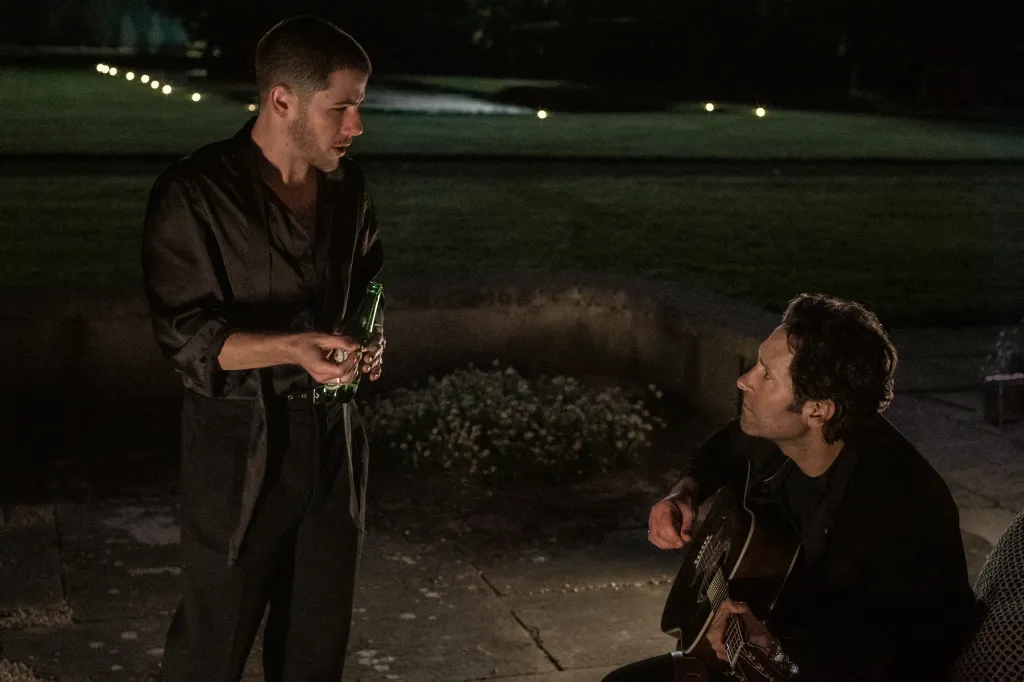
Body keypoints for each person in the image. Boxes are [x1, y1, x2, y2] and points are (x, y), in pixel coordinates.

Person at [141, 15, 384, 682]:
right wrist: (292, 347)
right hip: (239, 448)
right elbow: (187, 338)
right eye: (341, 108)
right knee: (212, 644)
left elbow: (368, 282)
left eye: (360, 105)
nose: (357, 125)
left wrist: (367, 338)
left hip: (334, 443)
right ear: (281, 99)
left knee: (316, 645)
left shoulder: (349, 189)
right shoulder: (195, 193)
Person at [603, 293, 976, 681]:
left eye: (766, 375)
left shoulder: (901, 507)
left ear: (818, 409)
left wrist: (778, 649)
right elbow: (729, 446)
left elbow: (903, 653)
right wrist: (685, 491)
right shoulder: (782, 434)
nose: (744, 380)